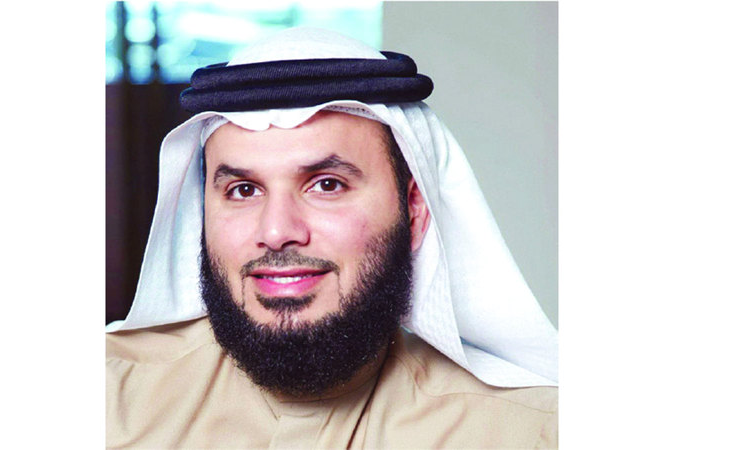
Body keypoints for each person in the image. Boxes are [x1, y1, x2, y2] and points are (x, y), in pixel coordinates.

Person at [106, 27, 558, 448]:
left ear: (414, 209)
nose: (276, 232)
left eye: (326, 185)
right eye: (243, 190)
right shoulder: (107, 397)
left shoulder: (533, 431)